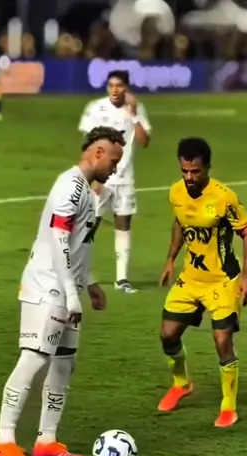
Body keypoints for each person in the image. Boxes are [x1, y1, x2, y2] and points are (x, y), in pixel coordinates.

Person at [0, 126, 125, 456]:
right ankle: (3, 442)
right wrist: (70, 294)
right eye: (113, 161)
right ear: (98, 153)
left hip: (67, 288)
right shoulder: (70, 186)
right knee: (33, 359)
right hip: (46, 287)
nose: (115, 168)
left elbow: (80, 245)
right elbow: (59, 241)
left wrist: (89, 283)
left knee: (64, 363)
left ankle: (46, 440)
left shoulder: (91, 192)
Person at [158, 137, 247, 428]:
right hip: (191, 277)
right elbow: (180, 222)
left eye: (195, 172)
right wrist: (170, 259)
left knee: (222, 340)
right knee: (168, 335)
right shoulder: (176, 192)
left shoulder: (224, 198)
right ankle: (182, 384)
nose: (189, 177)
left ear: (208, 168)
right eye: (184, 171)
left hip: (222, 281)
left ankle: (228, 406)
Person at [78, 70, 152, 294]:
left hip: (125, 179)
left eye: (119, 85)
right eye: (111, 85)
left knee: (123, 225)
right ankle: (78, 271)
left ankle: (121, 279)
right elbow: (88, 145)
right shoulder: (96, 108)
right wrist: (93, 177)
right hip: (102, 178)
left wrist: (134, 115)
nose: (115, 89)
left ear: (126, 87)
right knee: (90, 225)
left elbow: (144, 141)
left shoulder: (136, 109)